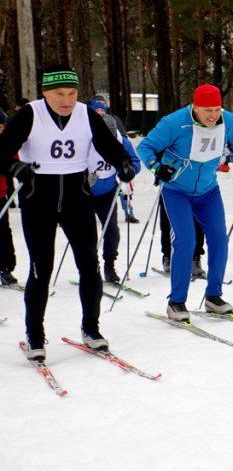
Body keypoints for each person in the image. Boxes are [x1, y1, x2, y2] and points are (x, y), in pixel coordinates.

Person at [0, 65, 135, 361]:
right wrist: (15, 168)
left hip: (77, 197)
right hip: (38, 198)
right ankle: (35, 334)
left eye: (72, 93)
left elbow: (109, 146)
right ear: (45, 92)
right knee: (41, 269)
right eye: (59, 93)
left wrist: (123, 163)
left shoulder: (86, 114)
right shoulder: (29, 114)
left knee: (89, 265)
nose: (66, 99)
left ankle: (91, 329)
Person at [137, 84, 233, 322]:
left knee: (219, 239)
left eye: (217, 109)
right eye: (207, 111)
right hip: (177, 190)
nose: (213, 116)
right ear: (195, 107)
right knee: (186, 239)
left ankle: (214, 296)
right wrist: (157, 167)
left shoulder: (228, 120)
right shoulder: (174, 122)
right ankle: (176, 302)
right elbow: (145, 147)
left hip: (208, 190)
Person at [87, 112, 142, 283]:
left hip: (107, 193)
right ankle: (89, 267)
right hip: (84, 194)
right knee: (87, 233)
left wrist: (127, 170)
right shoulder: (85, 139)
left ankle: (109, 265)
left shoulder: (122, 141)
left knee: (112, 231)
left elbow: (135, 162)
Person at [0, 111, 18, 285]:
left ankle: (5, 268)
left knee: (4, 231)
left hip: (0, 195)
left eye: (2, 125)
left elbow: (17, 160)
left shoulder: (6, 143)